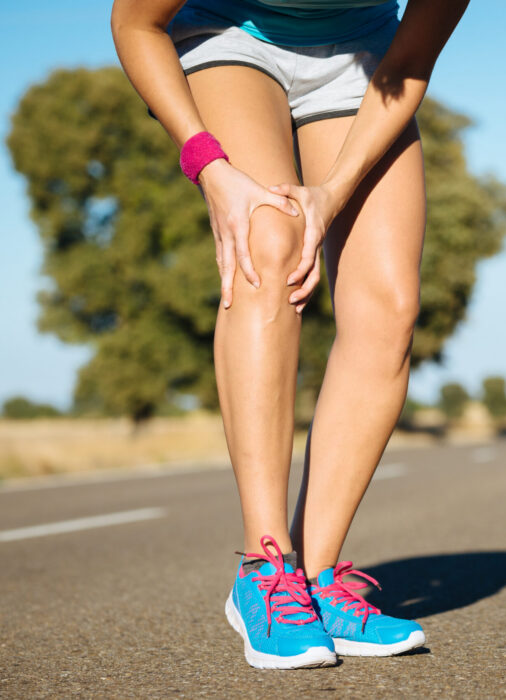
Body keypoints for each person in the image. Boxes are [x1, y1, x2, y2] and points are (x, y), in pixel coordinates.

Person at [110, 0, 469, 669]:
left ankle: (319, 577)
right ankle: (265, 568)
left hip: (363, 56)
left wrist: (331, 191)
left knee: (390, 304)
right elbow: (134, 23)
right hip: (229, 40)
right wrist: (208, 165)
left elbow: (412, 60)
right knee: (268, 241)